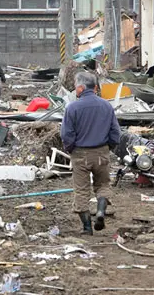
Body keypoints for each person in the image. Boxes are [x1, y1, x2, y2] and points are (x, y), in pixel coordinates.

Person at [61, 72, 120, 235]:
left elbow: (66, 134)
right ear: (95, 88)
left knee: (81, 190)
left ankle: (87, 228)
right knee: (103, 185)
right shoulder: (106, 106)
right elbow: (115, 132)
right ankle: (100, 211)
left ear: (80, 88)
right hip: (101, 151)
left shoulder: (72, 107)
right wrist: (109, 147)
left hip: (80, 153)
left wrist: (70, 148)